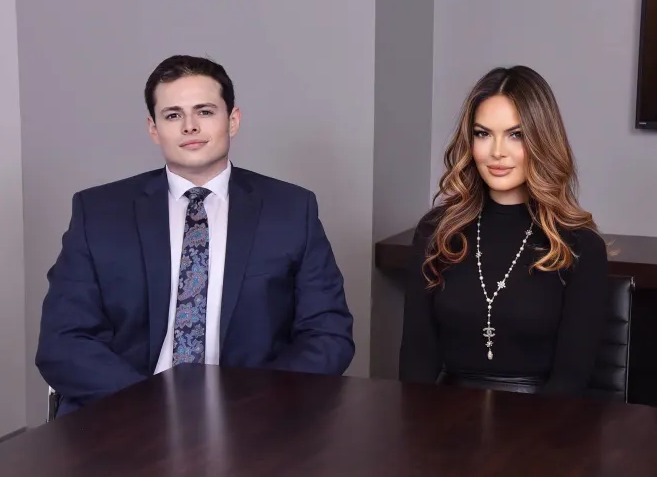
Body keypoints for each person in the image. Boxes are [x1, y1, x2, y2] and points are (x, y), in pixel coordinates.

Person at [36, 55, 354, 416]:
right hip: (125, 412)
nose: (190, 126)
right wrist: (152, 406)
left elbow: (328, 335)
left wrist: (253, 404)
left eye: (204, 111)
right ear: (154, 128)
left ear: (232, 120)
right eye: (173, 115)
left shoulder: (291, 210)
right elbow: (63, 342)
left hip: (251, 417)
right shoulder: (99, 213)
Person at [399, 65, 608, 397]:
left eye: (516, 135)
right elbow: (416, 363)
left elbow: (570, 380)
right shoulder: (436, 232)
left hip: (544, 420)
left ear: (542, 140)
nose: (497, 151)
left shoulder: (580, 244)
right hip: (443, 416)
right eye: (483, 134)